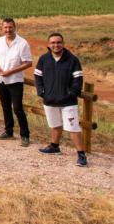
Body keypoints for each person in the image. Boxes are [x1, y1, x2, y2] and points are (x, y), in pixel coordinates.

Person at [35, 33, 87, 167]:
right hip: (49, 100)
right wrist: (41, 92)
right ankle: (54, 146)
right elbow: (38, 77)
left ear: (63, 44)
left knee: (73, 128)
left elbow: (78, 79)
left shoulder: (73, 60)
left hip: (68, 102)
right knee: (55, 125)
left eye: (58, 42)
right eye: (53, 42)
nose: (56, 45)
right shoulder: (43, 59)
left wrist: (71, 93)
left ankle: (81, 155)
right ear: (48, 44)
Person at [0, 18, 33, 147]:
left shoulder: (22, 43)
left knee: (17, 108)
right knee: (5, 107)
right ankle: (8, 131)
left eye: (10, 27)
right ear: (2, 28)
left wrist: (11, 71)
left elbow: (28, 63)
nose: (8, 30)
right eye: (5, 28)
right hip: (1, 79)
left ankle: (25, 135)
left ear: (15, 27)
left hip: (15, 81)